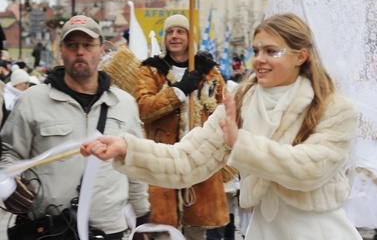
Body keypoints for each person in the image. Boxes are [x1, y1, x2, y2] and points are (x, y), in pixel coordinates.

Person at [82, 13, 361, 240]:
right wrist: (128, 148)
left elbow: (310, 169)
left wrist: (240, 143)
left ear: (300, 56)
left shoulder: (336, 108)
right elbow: (187, 160)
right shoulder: (240, 102)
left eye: (271, 51)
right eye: (256, 50)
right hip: (264, 231)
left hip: (319, 231)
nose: (258, 60)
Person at [0, 15, 150, 239]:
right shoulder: (32, 100)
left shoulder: (125, 103)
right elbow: (9, 152)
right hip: (51, 229)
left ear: (101, 50)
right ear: (61, 50)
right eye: (72, 45)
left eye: (88, 45)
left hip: (110, 230)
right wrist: (9, 184)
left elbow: (135, 165)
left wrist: (141, 219)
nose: (80, 51)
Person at [134, 14, 231, 239]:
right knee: (163, 231)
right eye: (170, 32)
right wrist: (177, 91)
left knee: (196, 231)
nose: (175, 36)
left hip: (200, 168)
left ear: (190, 37)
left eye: (180, 31)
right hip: (163, 163)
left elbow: (226, 109)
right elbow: (142, 108)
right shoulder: (151, 70)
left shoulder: (209, 73)